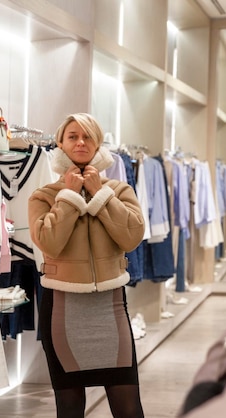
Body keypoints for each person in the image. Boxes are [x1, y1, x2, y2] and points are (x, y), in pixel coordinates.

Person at [28, 113, 146, 418]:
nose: (80, 142)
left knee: (128, 407)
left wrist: (99, 194)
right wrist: (69, 196)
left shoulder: (119, 191)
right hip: (63, 310)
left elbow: (132, 236)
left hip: (110, 308)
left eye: (87, 136)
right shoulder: (44, 196)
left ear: (98, 144)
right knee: (69, 408)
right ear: (60, 144)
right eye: (72, 136)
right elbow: (49, 243)